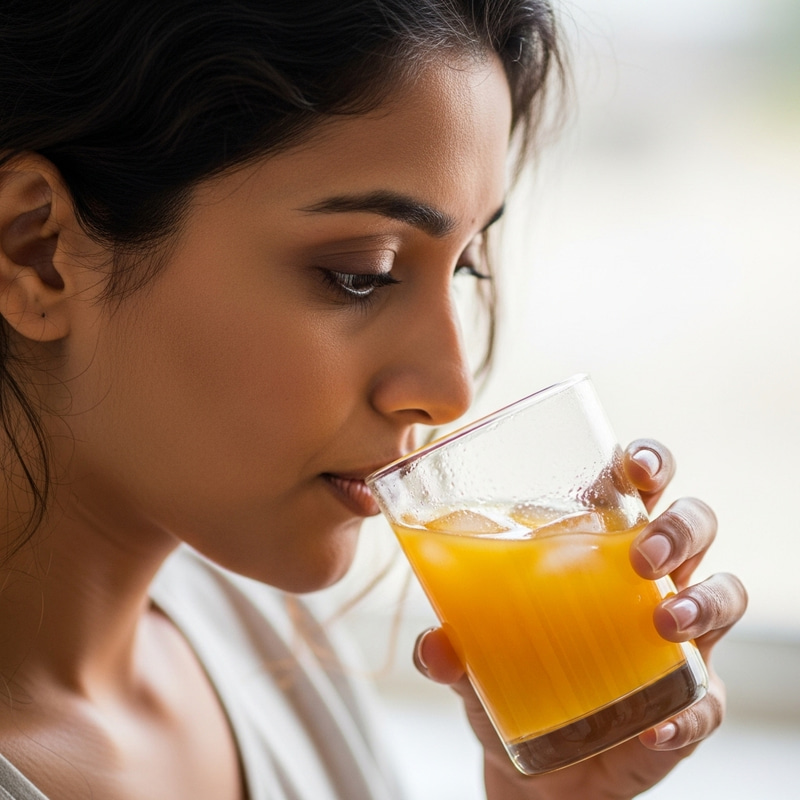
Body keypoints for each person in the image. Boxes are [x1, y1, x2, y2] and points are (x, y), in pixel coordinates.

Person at [0, 2, 747, 799]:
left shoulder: (263, 648)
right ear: (37, 250)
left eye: (464, 267)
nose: (449, 392)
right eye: (363, 272)